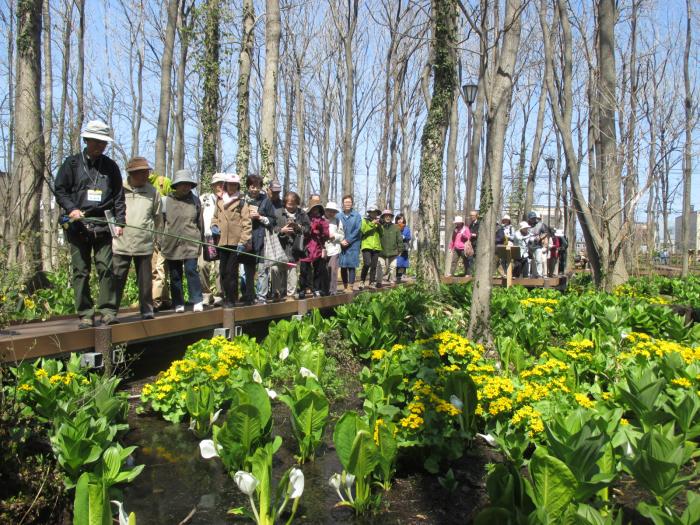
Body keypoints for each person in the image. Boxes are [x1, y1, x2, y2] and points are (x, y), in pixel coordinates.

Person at [54, 120, 125, 329]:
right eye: (97, 142)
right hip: (78, 226)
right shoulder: (72, 164)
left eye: (103, 143)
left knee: (106, 267)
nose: (100, 146)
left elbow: (119, 196)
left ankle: (108, 311)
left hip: (102, 224)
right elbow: (60, 190)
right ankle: (85, 313)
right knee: (81, 270)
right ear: (87, 140)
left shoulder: (110, 167)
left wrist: (120, 222)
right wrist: (71, 209)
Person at [112, 157, 162, 320]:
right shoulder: (119, 189)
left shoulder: (153, 192)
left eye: (147, 172)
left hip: (144, 242)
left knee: (145, 280)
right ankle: (111, 311)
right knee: (117, 278)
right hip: (121, 242)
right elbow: (111, 214)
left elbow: (157, 217)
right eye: (142, 173)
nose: (145, 176)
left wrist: (155, 237)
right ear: (132, 173)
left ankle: (147, 309)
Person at [162, 169, 204, 313]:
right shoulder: (167, 200)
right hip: (171, 242)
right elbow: (160, 223)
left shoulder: (195, 201)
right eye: (182, 184)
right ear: (176, 185)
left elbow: (200, 223)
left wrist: (201, 242)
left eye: (188, 184)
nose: (185, 187)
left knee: (191, 270)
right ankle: (178, 302)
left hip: (191, 241)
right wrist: (161, 240)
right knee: (175, 274)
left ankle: (197, 299)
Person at [210, 174, 252, 307]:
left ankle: (231, 298)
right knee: (222, 271)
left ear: (237, 186)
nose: (232, 187)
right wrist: (214, 226)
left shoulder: (242, 202)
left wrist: (243, 241)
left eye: (234, 184)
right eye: (230, 184)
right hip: (222, 241)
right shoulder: (220, 200)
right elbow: (215, 217)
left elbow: (247, 223)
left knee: (231, 272)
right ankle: (225, 296)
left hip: (236, 242)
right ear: (226, 185)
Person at [241, 174, 276, 304]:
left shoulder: (265, 200)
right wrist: (247, 216)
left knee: (262, 269)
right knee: (248, 270)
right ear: (248, 187)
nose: (255, 189)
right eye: (252, 186)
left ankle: (262, 296)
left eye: (257, 187)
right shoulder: (242, 199)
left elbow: (273, 220)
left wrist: (260, 217)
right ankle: (249, 295)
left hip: (262, 239)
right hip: (247, 238)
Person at [272, 192, 310, 300]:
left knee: (292, 271)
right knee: (276, 269)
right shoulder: (278, 213)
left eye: (293, 204)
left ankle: (290, 295)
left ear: (297, 203)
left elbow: (308, 229)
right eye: (289, 204)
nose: (291, 206)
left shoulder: (302, 214)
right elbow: (272, 227)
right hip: (280, 247)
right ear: (285, 203)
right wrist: (282, 230)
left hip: (294, 248)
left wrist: (298, 227)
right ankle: (277, 293)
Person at [199, 173, 226, 307]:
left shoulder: (229, 200)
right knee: (202, 266)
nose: (220, 186)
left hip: (222, 238)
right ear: (212, 186)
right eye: (217, 184)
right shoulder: (204, 199)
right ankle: (206, 294)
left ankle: (219, 294)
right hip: (207, 237)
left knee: (219, 268)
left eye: (222, 183)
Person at [149, 170, 172, 311]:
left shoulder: (164, 183)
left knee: (159, 268)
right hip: (151, 236)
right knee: (156, 269)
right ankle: (164, 298)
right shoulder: (143, 188)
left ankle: (155, 300)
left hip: (163, 235)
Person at [299, 202, 330, 297]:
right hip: (305, 247)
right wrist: (312, 229)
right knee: (304, 270)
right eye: (313, 209)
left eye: (317, 209)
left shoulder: (323, 221)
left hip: (317, 248)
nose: (315, 211)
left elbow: (326, 235)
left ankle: (316, 288)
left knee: (318, 269)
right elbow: (304, 230)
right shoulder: (305, 218)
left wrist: (320, 230)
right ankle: (303, 289)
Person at [339, 195, 362, 292]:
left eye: (349, 202)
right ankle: (345, 285)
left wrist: (348, 240)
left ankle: (351, 286)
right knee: (343, 265)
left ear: (352, 204)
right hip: (341, 243)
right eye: (345, 202)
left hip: (353, 244)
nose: (347, 204)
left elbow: (357, 230)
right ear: (343, 204)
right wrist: (341, 240)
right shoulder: (338, 216)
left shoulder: (357, 216)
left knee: (351, 266)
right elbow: (336, 228)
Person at [377, 209, 403, 287]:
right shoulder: (379, 227)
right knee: (380, 266)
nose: (388, 217)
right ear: (383, 217)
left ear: (391, 217)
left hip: (393, 251)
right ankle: (379, 282)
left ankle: (392, 281)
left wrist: (400, 249)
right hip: (381, 251)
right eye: (386, 216)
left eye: (389, 216)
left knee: (393, 267)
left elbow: (399, 239)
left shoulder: (396, 227)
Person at [359, 204, 382, 290]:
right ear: (369, 213)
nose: (374, 214)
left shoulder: (378, 221)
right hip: (366, 246)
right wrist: (372, 224)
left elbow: (382, 234)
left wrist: (379, 226)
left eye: (375, 212)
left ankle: (372, 282)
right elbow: (363, 231)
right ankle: (362, 281)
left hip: (376, 247)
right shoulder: (364, 220)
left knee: (374, 265)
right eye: (372, 212)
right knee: (367, 263)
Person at [324, 201, 345, 295]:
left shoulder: (337, 221)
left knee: (333, 269)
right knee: (324, 269)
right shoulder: (321, 219)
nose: (331, 213)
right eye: (329, 211)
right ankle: (324, 289)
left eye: (333, 211)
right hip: (323, 248)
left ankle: (333, 290)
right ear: (326, 210)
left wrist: (334, 236)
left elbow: (342, 235)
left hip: (334, 248)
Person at [526, 211, 549, 278]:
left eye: (534, 218)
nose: (533, 219)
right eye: (532, 218)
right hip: (528, 245)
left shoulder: (540, 224)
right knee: (530, 261)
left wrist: (540, 237)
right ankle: (531, 274)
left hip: (537, 245)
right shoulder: (526, 225)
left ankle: (539, 274)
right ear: (529, 219)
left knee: (538, 260)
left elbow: (545, 232)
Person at [395, 214, 411, 283]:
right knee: (396, 263)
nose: (400, 221)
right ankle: (393, 276)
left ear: (403, 220)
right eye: (398, 219)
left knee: (402, 264)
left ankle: (399, 277)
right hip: (395, 248)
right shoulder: (394, 227)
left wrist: (404, 237)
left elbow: (409, 237)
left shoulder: (406, 228)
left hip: (404, 248)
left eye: (401, 219)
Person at [467, 210, 479, 275]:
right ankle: (471, 273)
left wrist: (474, 234)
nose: (471, 217)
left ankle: (477, 273)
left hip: (477, 244)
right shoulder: (471, 224)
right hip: (471, 244)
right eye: (470, 215)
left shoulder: (479, 223)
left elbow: (481, 233)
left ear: (476, 216)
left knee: (477, 259)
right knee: (470, 258)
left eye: (472, 215)